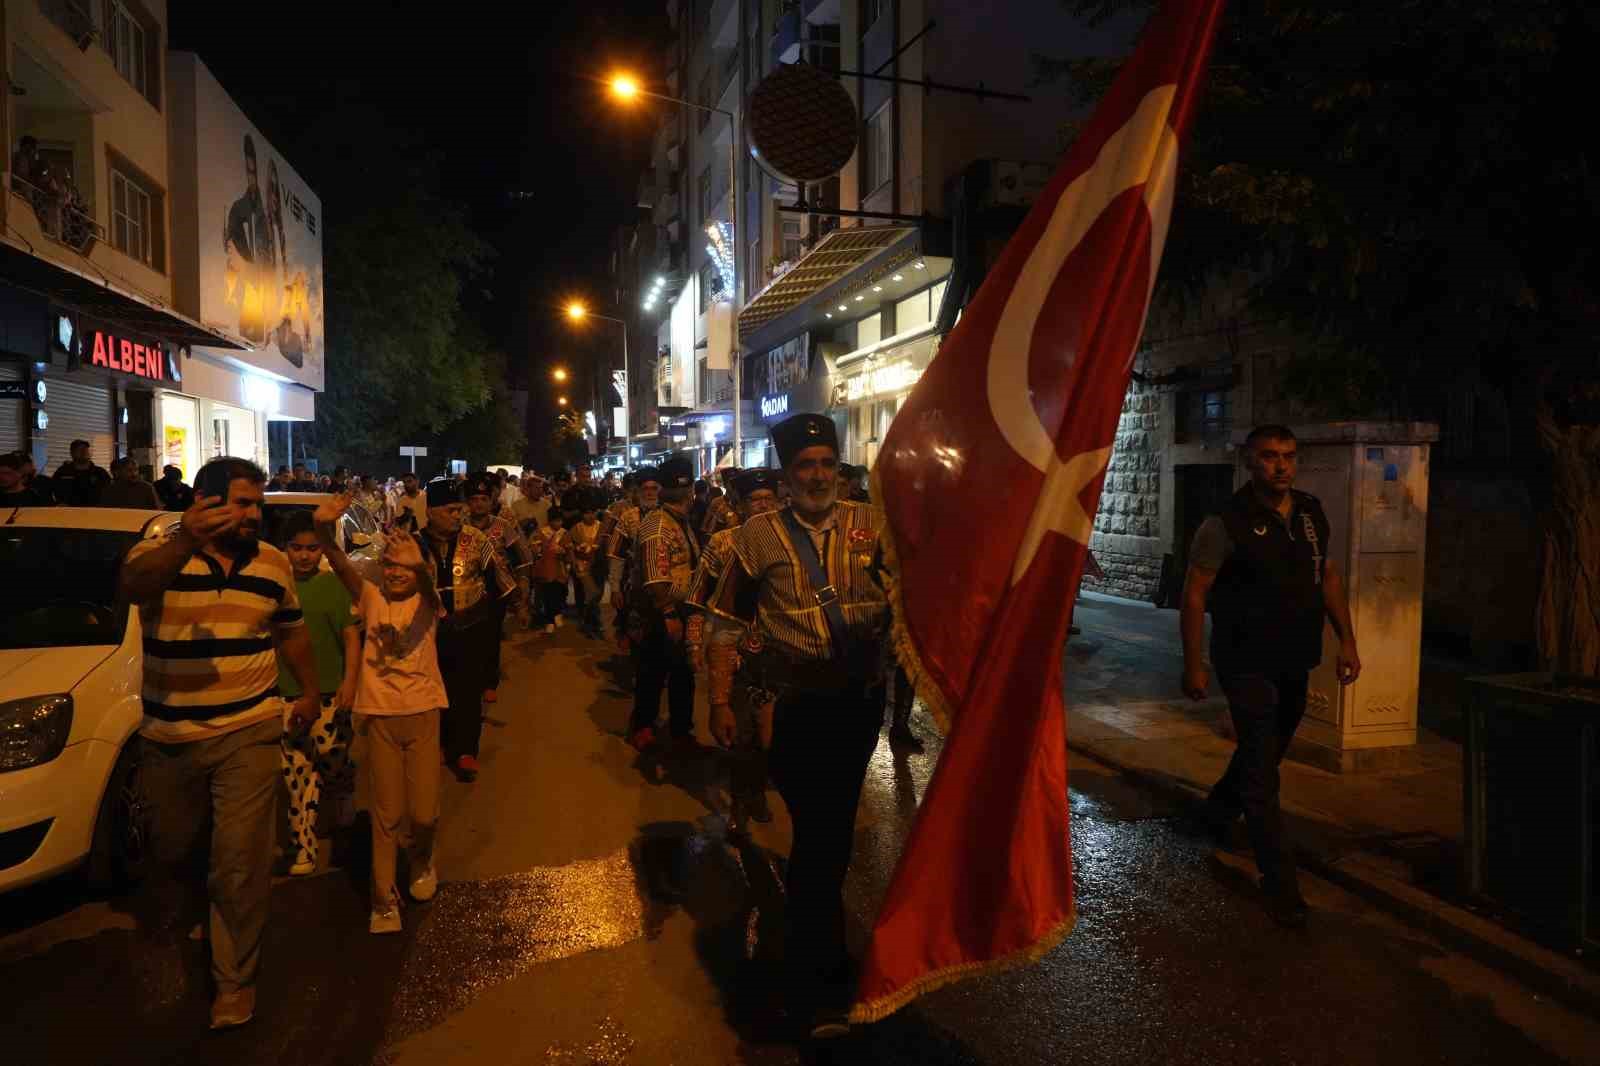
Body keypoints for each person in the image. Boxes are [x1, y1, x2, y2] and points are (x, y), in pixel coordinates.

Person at [703, 414, 888, 1039]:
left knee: (830, 830)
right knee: (819, 833)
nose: (817, 476)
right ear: (786, 475)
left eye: (826, 464)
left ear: (839, 468)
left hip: (860, 704)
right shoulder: (755, 537)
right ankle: (817, 983)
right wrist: (721, 699)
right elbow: (725, 623)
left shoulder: (874, 524)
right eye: (805, 465)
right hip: (796, 705)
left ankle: (817, 955)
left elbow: (923, 585)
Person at [120, 457, 321, 1030]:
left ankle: (234, 981)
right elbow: (133, 586)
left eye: (257, 504)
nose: (254, 514)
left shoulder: (274, 564)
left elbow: (291, 630)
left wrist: (307, 691)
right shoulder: (159, 549)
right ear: (204, 503)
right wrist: (184, 542)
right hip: (170, 737)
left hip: (249, 730)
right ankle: (190, 916)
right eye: (241, 502)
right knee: (176, 849)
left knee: (239, 863)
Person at [1181, 424, 1361, 929]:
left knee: (1267, 749)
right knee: (1263, 771)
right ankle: (1280, 883)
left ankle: (1215, 814)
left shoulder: (1310, 513)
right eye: (1269, 456)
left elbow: (1327, 577)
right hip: (1245, 661)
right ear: (1248, 462)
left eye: (1288, 456)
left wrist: (1346, 639)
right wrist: (1194, 664)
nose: (1280, 465)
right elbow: (1195, 593)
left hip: (1296, 658)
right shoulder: (1225, 523)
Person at [312, 495, 445, 934]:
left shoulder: (426, 604)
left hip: (423, 713)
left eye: (403, 566)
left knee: (424, 813)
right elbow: (342, 566)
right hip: (382, 718)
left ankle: (423, 859)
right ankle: (383, 899)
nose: (394, 571)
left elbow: (430, 588)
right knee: (386, 815)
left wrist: (419, 563)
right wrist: (323, 532)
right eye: (389, 564)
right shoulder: (369, 598)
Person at [688, 467, 783, 835]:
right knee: (742, 732)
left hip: (786, 653)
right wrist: (695, 643)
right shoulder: (723, 543)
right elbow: (698, 598)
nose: (762, 506)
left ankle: (761, 789)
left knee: (776, 734)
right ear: (739, 506)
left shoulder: (795, 540)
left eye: (768, 499)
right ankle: (743, 800)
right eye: (754, 501)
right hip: (736, 649)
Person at [274, 511, 360, 876]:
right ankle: (303, 849)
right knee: (296, 776)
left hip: (330, 695)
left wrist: (350, 681)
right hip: (286, 695)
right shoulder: (276, 586)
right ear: (285, 549)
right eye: (296, 548)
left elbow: (351, 636)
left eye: (312, 548)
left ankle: (342, 792)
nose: (304, 555)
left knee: (331, 757)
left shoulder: (331, 586)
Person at [416, 479, 515, 782]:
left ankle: (466, 751)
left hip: (471, 628)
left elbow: (498, 581)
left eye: (460, 510)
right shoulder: (413, 545)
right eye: (451, 510)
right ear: (431, 511)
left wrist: (503, 613)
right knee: (435, 692)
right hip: (427, 633)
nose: (459, 515)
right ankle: (441, 744)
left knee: (468, 693)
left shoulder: (476, 539)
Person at [628, 456, 700, 754]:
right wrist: (669, 613)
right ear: (691, 490)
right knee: (653, 671)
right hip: (660, 612)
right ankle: (643, 726)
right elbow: (655, 576)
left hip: (680, 609)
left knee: (683, 673)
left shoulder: (678, 521)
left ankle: (680, 729)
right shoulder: (657, 525)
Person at [464, 472, 530, 699]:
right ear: (468, 503)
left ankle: (489, 682)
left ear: (491, 502)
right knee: (468, 638)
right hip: (466, 592)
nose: (479, 504)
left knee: (491, 636)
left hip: (496, 591)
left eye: (483, 499)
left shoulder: (503, 527)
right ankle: (469, 678)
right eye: (474, 499)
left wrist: (522, 593)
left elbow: (523, 558)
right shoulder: (460, 528)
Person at [531, 508, 571, 635]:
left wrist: (564, 551)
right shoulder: (542, 532)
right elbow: (536, 548)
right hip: (546, 568)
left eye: (560, 521)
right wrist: (538, 550)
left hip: (560, 568)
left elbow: (569, 550)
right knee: (548, 594)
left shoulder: (564, 533)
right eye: (555, 521)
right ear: (550, 521)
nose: (558, 524)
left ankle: (555, 614)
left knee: (559, 592)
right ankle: (550, 620)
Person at [569, 506, 604, 638]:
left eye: (592, 512)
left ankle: (590, 621)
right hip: (581, 567)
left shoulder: (602, 527)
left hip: (598, 566)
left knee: (596, 594)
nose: (590, 515)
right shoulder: (576, 528)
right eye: (587, 512)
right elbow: (569, 546)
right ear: (582, 514)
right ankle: (591, 622)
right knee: (583, 595)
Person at [52, 439, 111, 506]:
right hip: (69, 512)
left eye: (86, 449)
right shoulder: (62, 472)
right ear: (72, 453)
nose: (83, 451)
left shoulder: (100, 473)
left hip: (96, 512)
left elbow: (109, 493)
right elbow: (53, 491)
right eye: (79, 449)